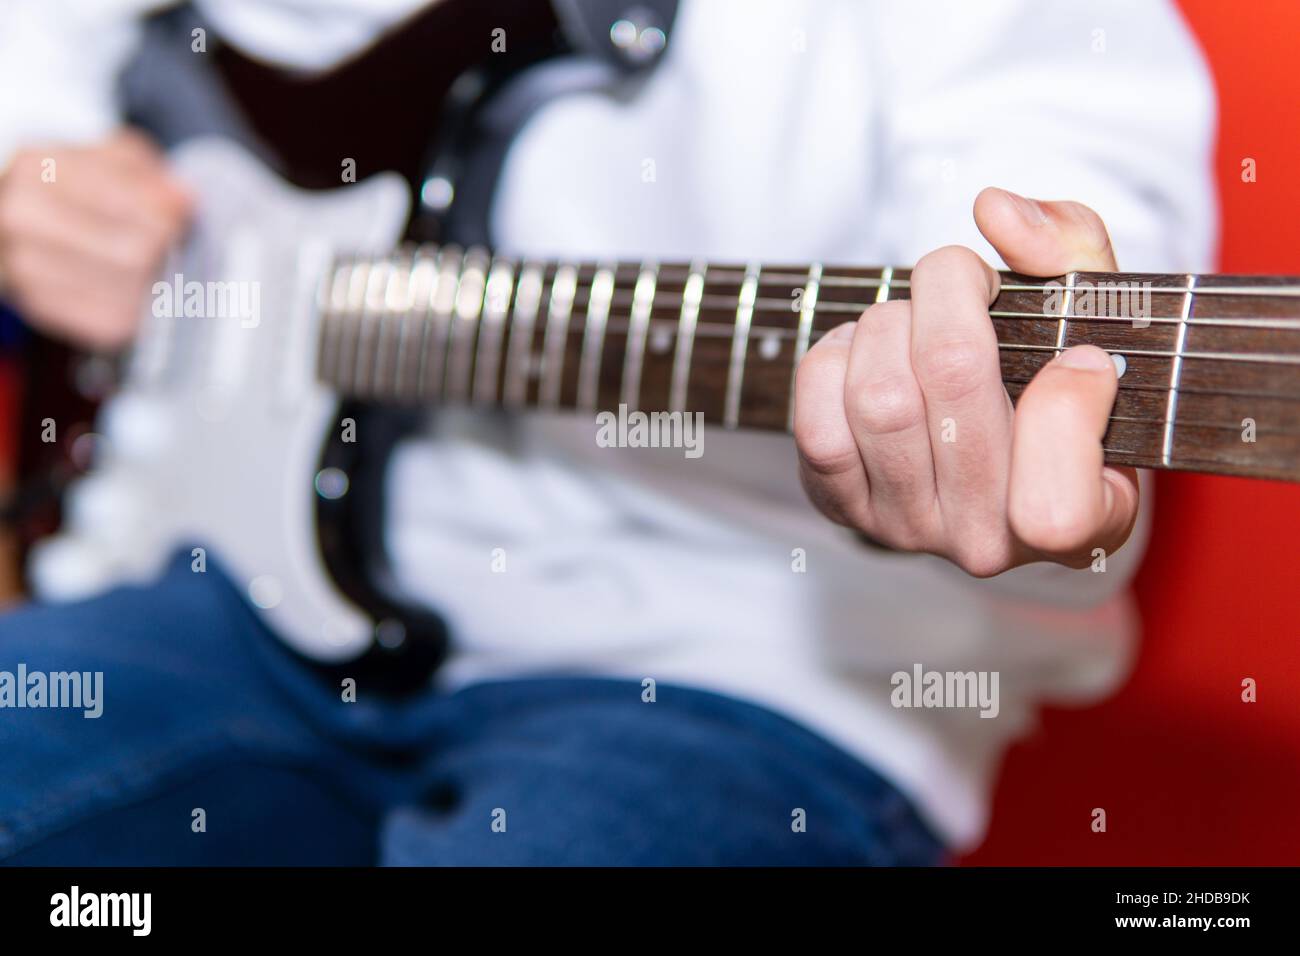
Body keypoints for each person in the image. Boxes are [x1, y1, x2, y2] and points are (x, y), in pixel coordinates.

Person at [0, 0, 1214, 864]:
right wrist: (31, 157)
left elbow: (1059, 163)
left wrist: (980, 359)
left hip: (756, 658)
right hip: (223, 577)